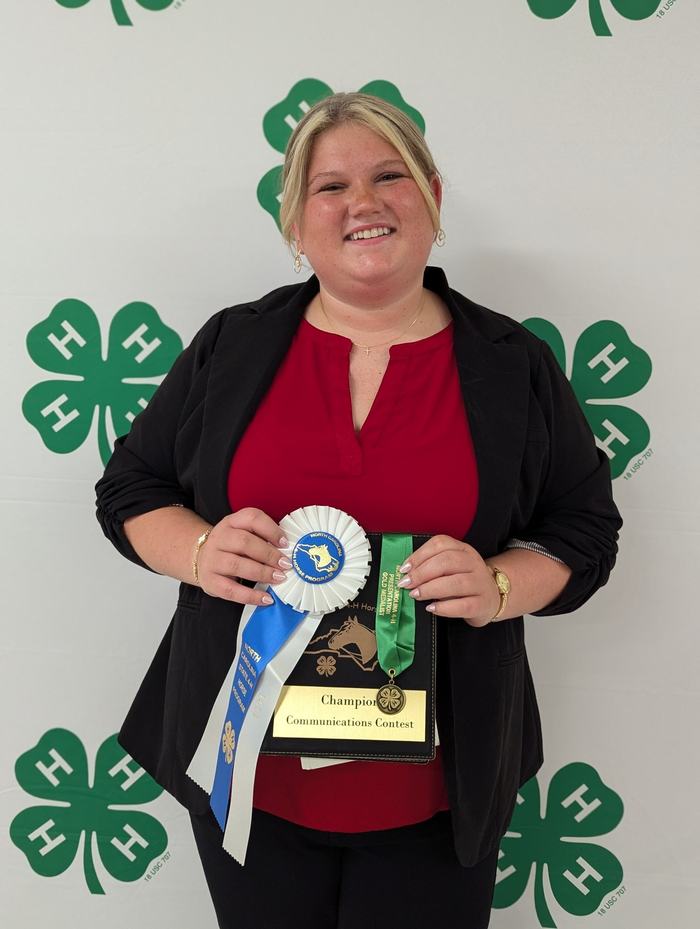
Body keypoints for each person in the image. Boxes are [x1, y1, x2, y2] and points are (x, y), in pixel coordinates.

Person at [95, 92, 622, 929]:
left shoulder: (511, 362)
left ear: (433, 197)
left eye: (389, 176)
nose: (364, 203)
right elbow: (131, 487)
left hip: (441, 793)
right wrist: (200, 552)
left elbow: (584, 529)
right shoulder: (232, 345)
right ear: (295, 225)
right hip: (247, 780)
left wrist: (496, 583)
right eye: (330, 186)